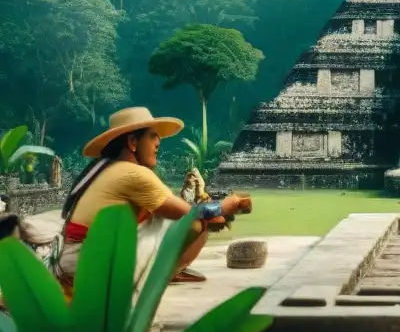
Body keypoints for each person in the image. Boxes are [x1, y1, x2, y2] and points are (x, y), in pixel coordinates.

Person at [45, 106, 250, 301]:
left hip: (75, 258)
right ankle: (155, 279)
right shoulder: (133, 173)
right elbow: (189, 213)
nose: (158, 142)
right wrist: (224, 206)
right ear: (133, 142)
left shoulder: (107, 168)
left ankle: (161, 273)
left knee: (162, 217)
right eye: (152, 136)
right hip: (89, 264)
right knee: (195, 223)